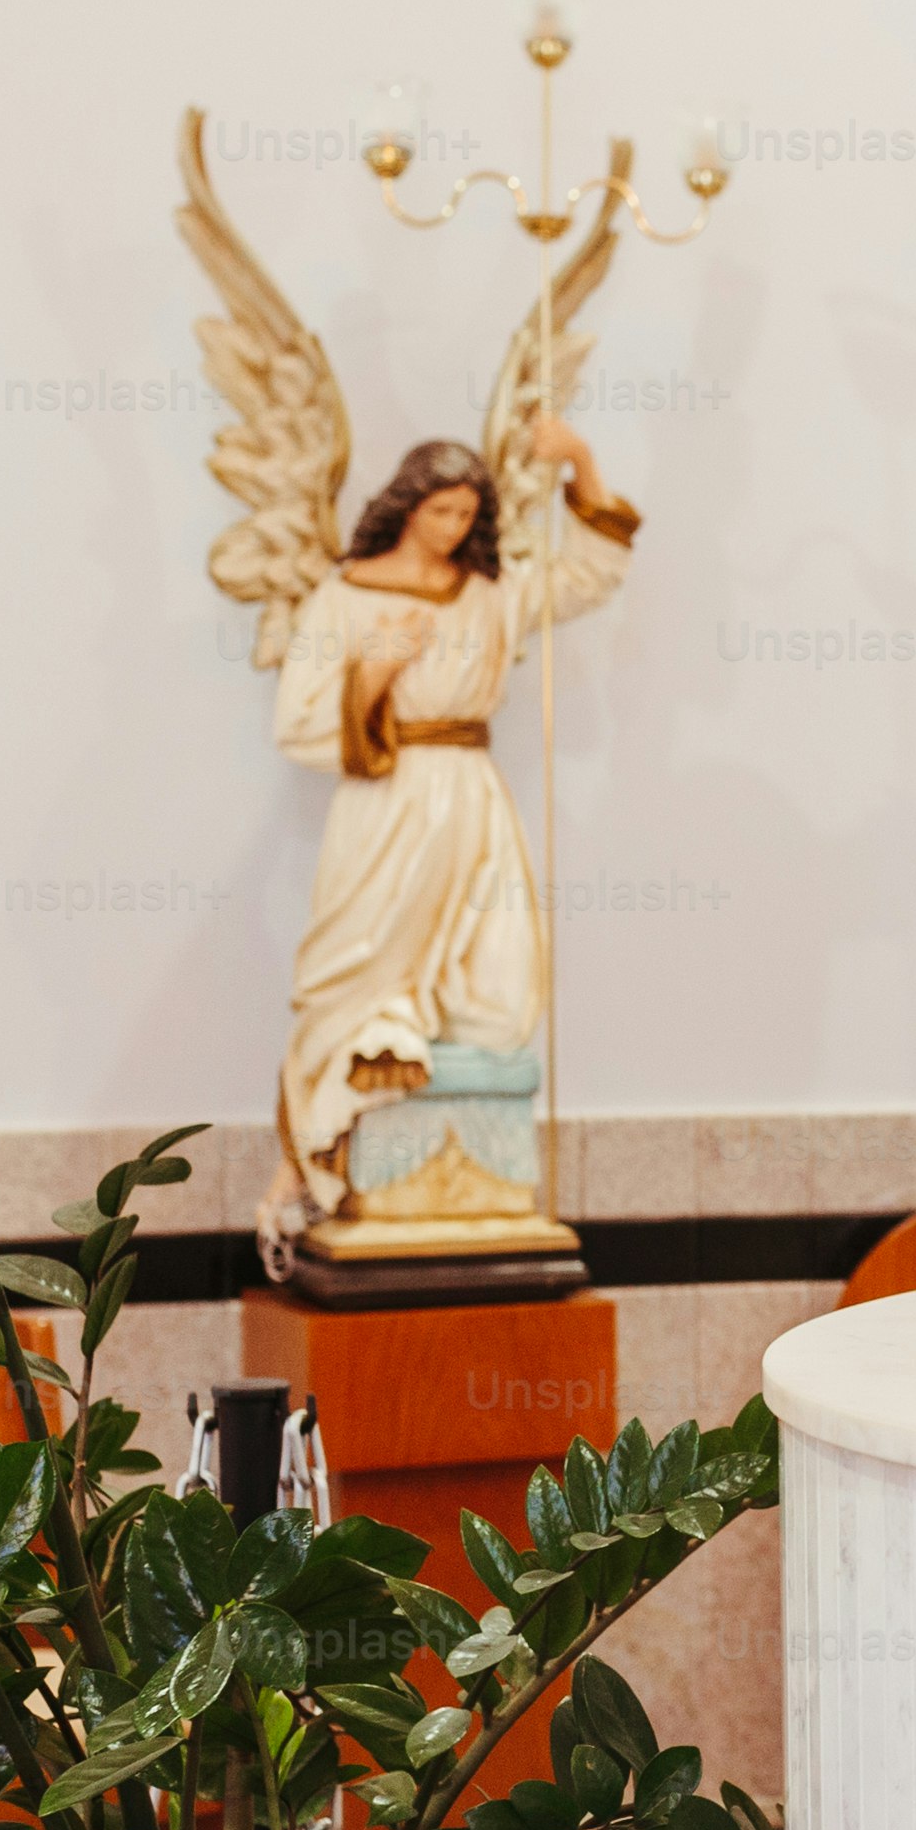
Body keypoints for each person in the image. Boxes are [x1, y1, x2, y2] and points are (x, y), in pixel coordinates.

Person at [262, 419, 635, 1250]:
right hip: (386, 804)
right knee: (359, 979)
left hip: (472, 800)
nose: (454, 530)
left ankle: (472, 1182)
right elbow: (295, 724)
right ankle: (337, 1136)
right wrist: (372, 675)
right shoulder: (347, 593)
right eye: (440, 512)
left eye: (468, 514)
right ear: (405, 505)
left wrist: (581, 459)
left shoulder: (488, 592)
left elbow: (589, 576)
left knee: (501, 993)